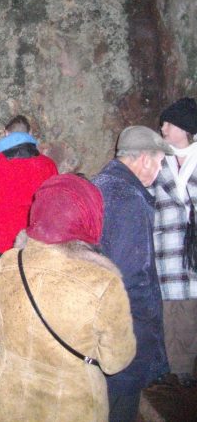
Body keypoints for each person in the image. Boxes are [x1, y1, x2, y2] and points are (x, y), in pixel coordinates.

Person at [0, 174, 136, 421]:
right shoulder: (104, 283)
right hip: (73, 404)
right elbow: (115, 360)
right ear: (90, 217)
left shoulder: (10, 263)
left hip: (9, 398)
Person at [92, 125, 172, 422]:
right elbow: (130, 275)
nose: (160, 169)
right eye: (160, 162)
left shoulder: (99, 183)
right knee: (119, 406)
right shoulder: (128, 198)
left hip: (98, 322)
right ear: (143, 159)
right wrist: (144, 328)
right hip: (123, 327)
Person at [0, 115, 58, 377]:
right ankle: (24, 362)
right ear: (31, 133)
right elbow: (53, 207)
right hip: (33, 248)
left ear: (5, 133)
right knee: (30, 304)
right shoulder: (47, 165)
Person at [152, 97, 197, 387]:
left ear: (184, 127)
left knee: (191, 305)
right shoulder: (158, 158)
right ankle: (176, 368)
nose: (163, 127)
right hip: (166, 246)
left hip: (192, 247)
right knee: (170, 307)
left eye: (168, 123)